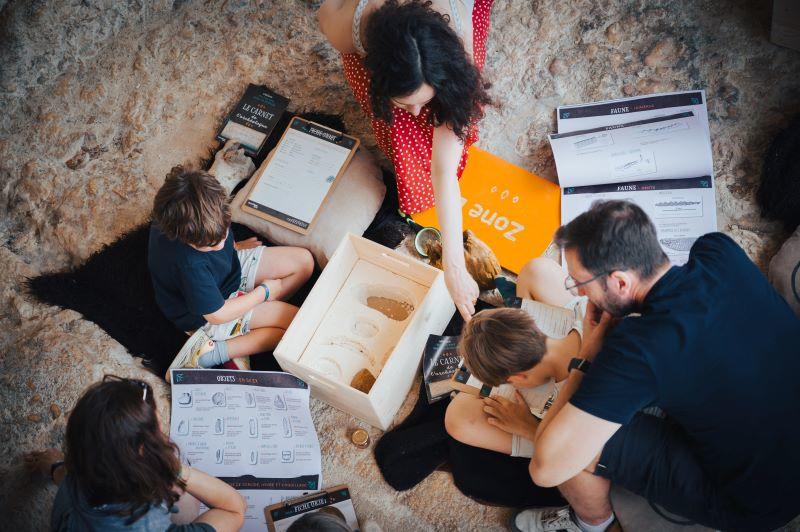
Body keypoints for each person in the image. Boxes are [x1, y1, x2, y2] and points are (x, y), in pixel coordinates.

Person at [512, 200, 800, 532]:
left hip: (759, 500)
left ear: (620, 282)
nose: (580, 292)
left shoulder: (637, 348)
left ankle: (593, 524)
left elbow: (546, 468)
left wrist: (590, 349)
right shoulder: (718, 250)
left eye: (580, 283)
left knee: (576, 450)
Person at [318, 0, 494, 320]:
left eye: (425, 101)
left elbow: (443, 172)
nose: (418, 114)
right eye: (405, 102)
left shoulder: (458, 48)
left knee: (449, 122)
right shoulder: (349, 28)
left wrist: (454, 266)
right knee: (399, 124)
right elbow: (324, 13)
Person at [148, 166, 314, 379]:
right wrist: (262, 293)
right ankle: (211, 354)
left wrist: (234, 246)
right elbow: (217, 314)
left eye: (223, 234)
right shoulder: (189, 265)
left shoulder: (193, 214)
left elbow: (215, 237)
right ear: (184, 238)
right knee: (291, 326)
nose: (219, 245)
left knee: (304, 263)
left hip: (226, 274)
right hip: (209, 312)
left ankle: (251, 317)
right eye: (208, 245)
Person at [23, 375, 246, 531]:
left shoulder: (79, 475)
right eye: (156, 430)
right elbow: (235, 510)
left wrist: (54, 467)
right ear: (143, 457)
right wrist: (169, 466)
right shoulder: (149, 526)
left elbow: (70, 478)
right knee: (186, 498)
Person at [445, 258, 586, 459]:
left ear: (518, 378)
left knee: (457, 418)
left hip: (570, 435)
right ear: (533, 320)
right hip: (583, 336)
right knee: (535, 270)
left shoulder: (565, 409)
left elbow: (577, 455)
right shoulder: (586, 311)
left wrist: (528, 427)